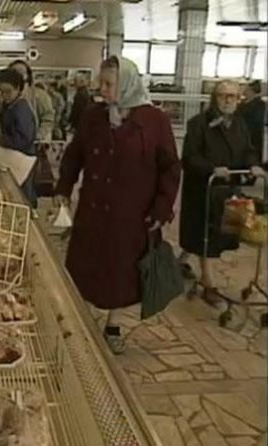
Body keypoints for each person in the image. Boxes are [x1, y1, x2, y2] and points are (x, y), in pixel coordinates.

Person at [54, 56, 181, 354]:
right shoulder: (93, 115)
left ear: (127, 83)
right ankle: (79, 320)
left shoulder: (153, 121)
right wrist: (63, 188)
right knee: (84, 266)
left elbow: (170, 168)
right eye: (101, 83)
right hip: (94, 208)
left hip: (130, 214)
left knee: (120, 273)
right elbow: (75, 155)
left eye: (109, 84)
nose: (103, 90)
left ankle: (113, 324)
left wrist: (162, 209)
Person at [179, 80, 263, 305]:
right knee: (206, 237)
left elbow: (248, 150)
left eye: (233, 96)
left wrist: (253, 165)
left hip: (228, 191)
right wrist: (211, 168)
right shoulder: (198, 124)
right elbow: (189, 157)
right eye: (223, 96)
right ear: (214, 98)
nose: (228, 101)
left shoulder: (240, 124)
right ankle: (209, 284)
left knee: (219, 236)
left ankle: (185, 258)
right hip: (203, 189)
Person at [0, 68, 38, 208]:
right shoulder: (9, 105)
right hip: (14, 156)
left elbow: (25, 139)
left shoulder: (21, 108)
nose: (5, 95)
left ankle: (27, 224)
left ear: (18, 89)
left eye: (8, 91)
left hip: (23, 160)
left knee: (22, 196)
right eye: (1, 92)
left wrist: (2, 140)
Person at [0, 60, 55, 141]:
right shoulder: (0, 96)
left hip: (33, 142)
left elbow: (48, 118)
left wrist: (39, 135)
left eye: (21, 71)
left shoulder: (40, 95)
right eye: (14, 71)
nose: (18, 74)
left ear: (28, 75)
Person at [238, 80, 266, 165]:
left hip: (252, 136)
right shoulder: (241, 104)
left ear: (252, 91)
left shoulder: (260, 105)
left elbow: (255, 122)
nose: (244, 91)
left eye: (246, 89)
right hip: (240, 134)